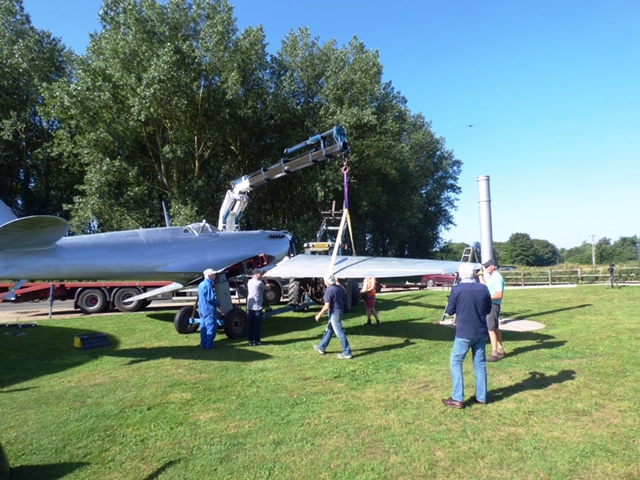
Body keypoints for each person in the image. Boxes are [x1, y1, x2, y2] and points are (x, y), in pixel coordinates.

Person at [442, 262, 492, 408]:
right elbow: (488, 309)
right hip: (481, 331)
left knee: (456, 361)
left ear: (460, 274)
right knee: (480, 364)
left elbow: (450, 310)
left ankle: (458, 397)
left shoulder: (457, 289)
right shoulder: (483, 288)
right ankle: (481, 397)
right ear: (474, 274)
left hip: (464, 332)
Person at [313, 274, 353, 359]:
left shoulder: (329, 290)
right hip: (339, 312)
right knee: (329, 330)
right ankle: (322, 347)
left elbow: (327, 306)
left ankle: (347, 353)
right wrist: (338, 282)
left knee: (340, 332)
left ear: (327, 281)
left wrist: (319, 315)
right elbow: (344, 290)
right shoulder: (339, 288)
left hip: (334, 313)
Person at [478, 259, 506, 361]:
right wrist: (480, 275)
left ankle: (494, 354)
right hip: (492, 304)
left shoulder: (498, 278)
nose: (485, 269)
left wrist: (486, 298)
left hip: (493, 305)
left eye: (487, 267)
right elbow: (486, 287)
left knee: (490, 329)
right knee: (495, 327)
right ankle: (500, 349)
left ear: (493, 267)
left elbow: (499, 294)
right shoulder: (492, 277)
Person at [198, 268, 221, 350]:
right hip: (209, 309)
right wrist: (218, 303)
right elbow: (211, 299)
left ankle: (203, 344)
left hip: (202, 309)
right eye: (213, 274)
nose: (215, 275)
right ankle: (209, 345)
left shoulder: (201, 284)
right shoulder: (208, 285)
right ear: (209, 275)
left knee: (203, 327)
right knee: (211, 327)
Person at [247, 270, 268, 346]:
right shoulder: (259, 283)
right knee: (257, 325)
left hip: (250, 306)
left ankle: (250, 340)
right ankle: (257, 340)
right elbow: (268, 287)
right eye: (260, 274)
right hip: (257, 307)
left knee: (251, 324)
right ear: (256, 274)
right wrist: (265, 280)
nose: (261, 275)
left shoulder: (249, 282)